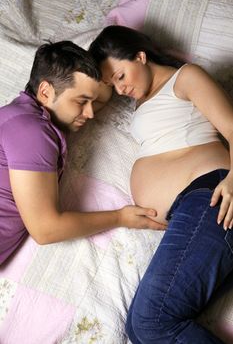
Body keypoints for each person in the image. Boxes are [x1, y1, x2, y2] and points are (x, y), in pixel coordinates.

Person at [89, 25, 233, 343]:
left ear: (140, 56)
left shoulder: (186, 77)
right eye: (112, 83)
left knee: (150, 323)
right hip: (196, 213)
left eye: (121, 75)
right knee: (143, 332)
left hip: (210, 197)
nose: (119, 88)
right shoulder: (142, 102)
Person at [0, 40, 163, 266]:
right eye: (81, 101)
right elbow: (45, 229)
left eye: (91, 102)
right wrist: (120, 217)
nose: (90, 113)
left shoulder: (20, 117)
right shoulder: (32, 131)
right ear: (45, 92)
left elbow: (103, 96)